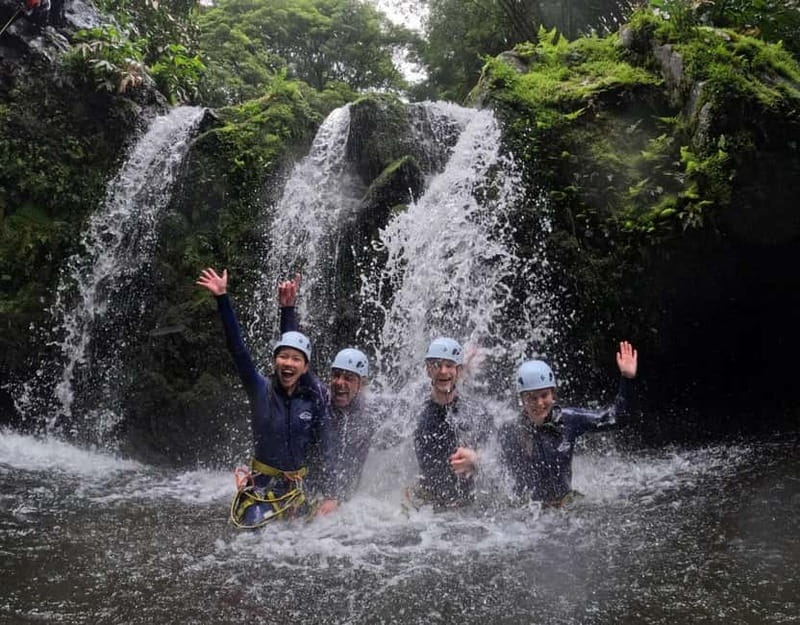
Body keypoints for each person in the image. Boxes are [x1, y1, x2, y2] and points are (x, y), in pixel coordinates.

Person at [196, 267, 337, 528]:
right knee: (254, 533)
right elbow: (237, 350)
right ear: (274, 361)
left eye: (296, 360)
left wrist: (330, 495)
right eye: (282, 357)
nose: (288, 363)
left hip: (300, 489)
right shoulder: (260, 389)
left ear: (305, 368)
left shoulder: (313, 398)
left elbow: (326, 447)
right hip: (263, 488)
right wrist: (222, 298)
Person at [277, 274, 379, 514]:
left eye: (349, 378)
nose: (340, 383)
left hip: (346, 506)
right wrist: (288, 311)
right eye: (336, 375)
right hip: (309, 496)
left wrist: (458, 371)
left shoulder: (374, 410)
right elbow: (295, 356)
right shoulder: (319, 398)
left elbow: (416, 401)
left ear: (362, 384)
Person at [499, 341, 638, 507]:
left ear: (553, 394)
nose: (539, 403)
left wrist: (627, 379)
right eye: (531, 398)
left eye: (544, 395)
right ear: (522, 400)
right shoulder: (511, 431)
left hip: (565, 507)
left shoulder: (568, 420)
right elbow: (490, 461)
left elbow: (614, 418)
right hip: (530, 515)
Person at [410, 337, 494, 511]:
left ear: (459, 371)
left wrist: (477, 460)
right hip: (426, 508)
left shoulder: (476, 413)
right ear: (427, 370)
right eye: (436, 365)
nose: (443, 371)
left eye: (449, 365)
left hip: (466, 508)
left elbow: (497, 458)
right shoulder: (414, 412)